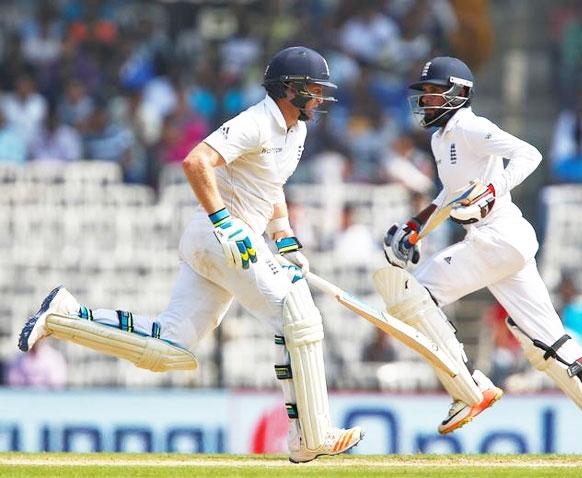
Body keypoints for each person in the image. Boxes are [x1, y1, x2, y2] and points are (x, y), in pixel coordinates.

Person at [17, 46, 362, 463]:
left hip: (233, 239)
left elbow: (271, 185)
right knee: (297, 314)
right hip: (222, 237)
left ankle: (65, 316)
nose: (320, 97)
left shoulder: (297, 131)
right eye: (313, 89)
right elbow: (196, 161)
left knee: (169, 348)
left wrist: (283, 235)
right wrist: (224, 221)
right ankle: (310, 435)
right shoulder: (255, 122)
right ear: (288, 89)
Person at [380, 56, 582, 459]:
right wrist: (418, 225)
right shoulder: (440, 138)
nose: (428, 100)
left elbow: (529, 154)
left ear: (459, 94)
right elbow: (449, 196)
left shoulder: (471, 126)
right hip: (505, 243)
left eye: (436, 92)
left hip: (497, 237)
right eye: (426, 93)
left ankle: (470, 388)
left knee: (411, 297)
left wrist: (493, 189)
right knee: (546, 340)